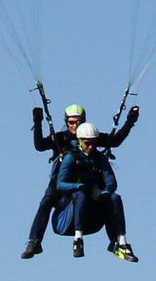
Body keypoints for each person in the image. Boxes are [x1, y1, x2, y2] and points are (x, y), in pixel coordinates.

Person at [21, 105, 140, 261]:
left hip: (87, 180)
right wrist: (38, 121)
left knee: (111, 199)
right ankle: (34, 242)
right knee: (46, 201)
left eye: (78, 122)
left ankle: (117, 242)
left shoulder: (90, 136)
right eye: (71, 122)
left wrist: (130, 120)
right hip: (61, 181)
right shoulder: (60, 137)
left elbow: (115, 141)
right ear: (66, 122)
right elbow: (40, 145)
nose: (75, 126)